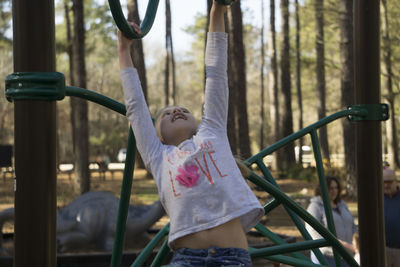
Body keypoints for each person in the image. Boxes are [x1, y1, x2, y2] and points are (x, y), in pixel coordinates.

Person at [117, 1, 264, 266]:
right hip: (187, 260)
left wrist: (217, 11)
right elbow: (135, 107)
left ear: (198, 122)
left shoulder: (213, 132)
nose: (175, 111)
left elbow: (217, 73)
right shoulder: (158, 155)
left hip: (234, 259)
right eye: (166, 113)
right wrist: (123, 48)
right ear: (157, 134)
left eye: (182, 109)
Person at [305, 176, 357, 267]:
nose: (334, 191)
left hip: (347, 255)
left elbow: (352, 225)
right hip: (326, 257)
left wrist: (354, 244)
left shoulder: (342, 204)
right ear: (322, 189)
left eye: (336, 188)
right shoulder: (315, 207)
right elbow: (313, 233)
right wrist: (333, 249)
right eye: (331, 188)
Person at [382, 166, 400, 267]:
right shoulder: (377, 198)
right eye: (383, 182)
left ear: (396, 182)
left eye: (388, 182)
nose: (385, 185)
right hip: (383, 250)